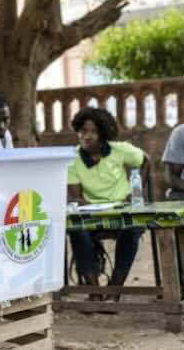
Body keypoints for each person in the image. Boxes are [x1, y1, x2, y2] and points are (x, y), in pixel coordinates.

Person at [66, 107, 150, 297]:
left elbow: (146, 160)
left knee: (133, 227)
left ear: (104, 135)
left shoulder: (120, 150)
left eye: (93, 132)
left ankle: (114, 289)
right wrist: (85, 203)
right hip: (91, 215)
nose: (86, 136)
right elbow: (77, 197)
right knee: (76, 230)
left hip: (121, 211)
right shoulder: (73, 158)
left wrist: (137, 191)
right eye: (83, 131)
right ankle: (94, 290)